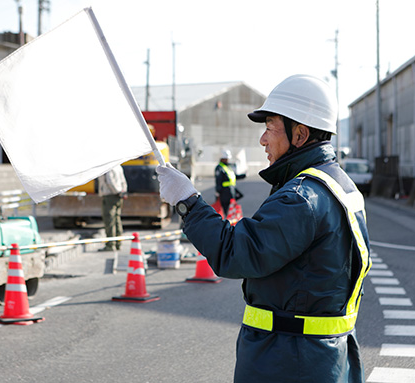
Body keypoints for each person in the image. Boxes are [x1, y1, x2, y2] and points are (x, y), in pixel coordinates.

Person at [156, 74, 371, 382]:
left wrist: (188, 202)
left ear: (299, 134)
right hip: (324, 356)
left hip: (288, 360)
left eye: (270, 127)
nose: (263, 139)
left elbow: (235, 253)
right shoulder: (340, 186)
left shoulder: (301, 198)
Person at [98, 164, 128, 252]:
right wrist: (123, 192)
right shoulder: (119, 167)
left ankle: (111, 245)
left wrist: (116, 192)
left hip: (110, 195)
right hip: (118, 196)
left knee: (109, 220)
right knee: (117, 220)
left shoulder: (108, 167)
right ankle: (118, 243)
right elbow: (123, 181)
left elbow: (109, 181)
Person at [215, 149, 237, 217]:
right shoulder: (220, 168)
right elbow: (218, 180)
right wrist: (218, 192)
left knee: (231, 211)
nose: (227, 160)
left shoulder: (228, 167)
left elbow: (232, 177)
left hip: (231, 192)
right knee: (225, 211)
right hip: (224, 194)